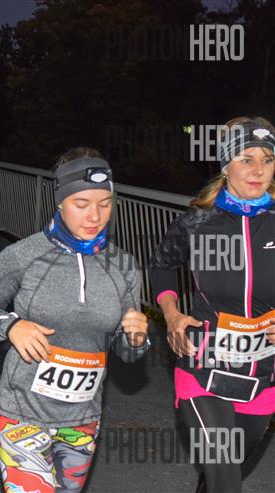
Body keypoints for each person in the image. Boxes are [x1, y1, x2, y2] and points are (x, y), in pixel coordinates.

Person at [0, 147, 150, 493]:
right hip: (23, 412)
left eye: (105, 204)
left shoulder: (124, 267)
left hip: (82, 419)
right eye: (82, 204)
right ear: (60, 202)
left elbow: (128, 352)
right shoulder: (23, 255)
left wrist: (137, 338)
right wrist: (11, 325)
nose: (95, 216)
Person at [149, 117, 275, 493]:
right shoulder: (197, 223)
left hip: (263, 373)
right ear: (225, 166)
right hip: (203, 363)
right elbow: (162, 266)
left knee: (223, 472)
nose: (258, 170)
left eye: (267, 159)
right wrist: (171, 314)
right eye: (246, 159)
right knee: (225, 474)